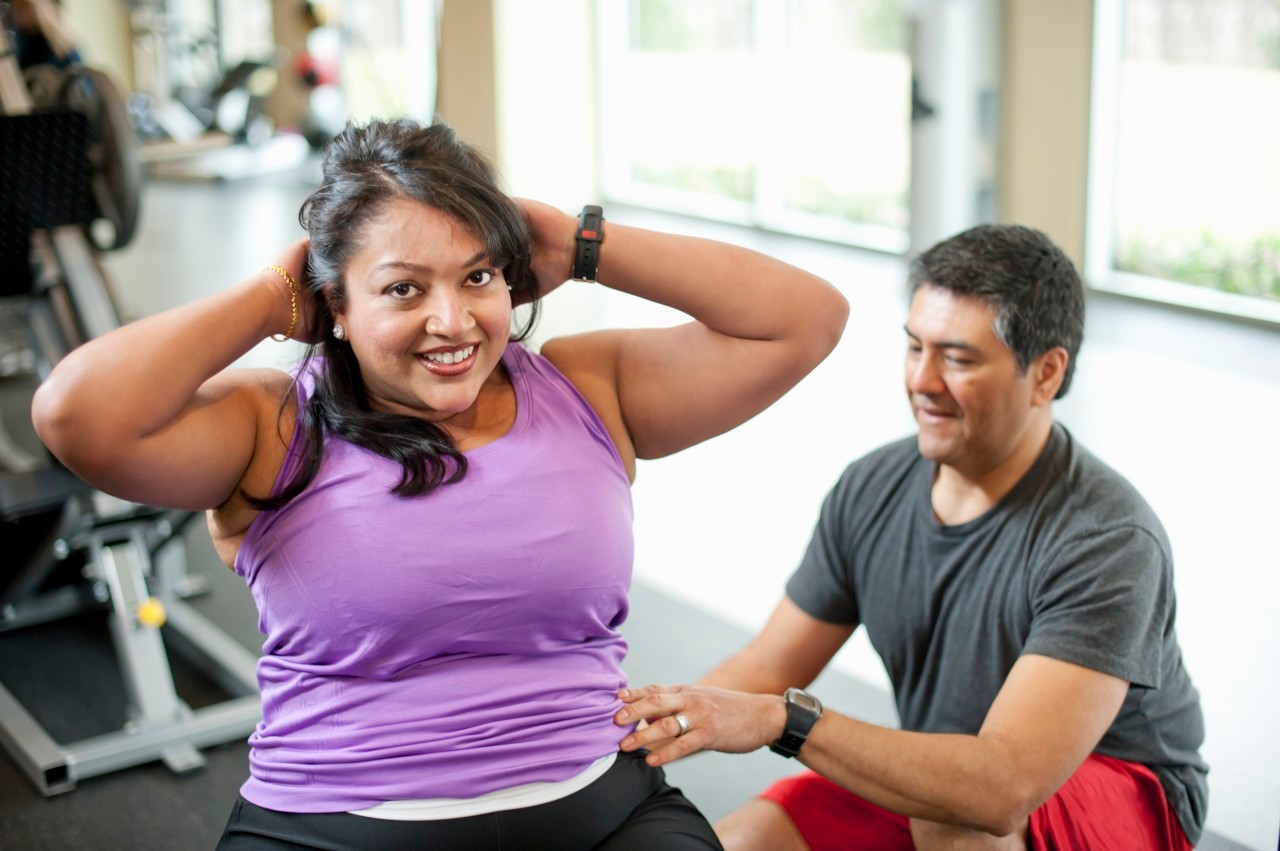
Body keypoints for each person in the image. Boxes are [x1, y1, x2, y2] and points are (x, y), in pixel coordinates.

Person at [30, 118, 849, 850]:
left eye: (479, 276)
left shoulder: (587, 388)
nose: (453, 322)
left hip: (601, 811)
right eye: (402, 288)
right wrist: (269, 297)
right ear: (334, 307)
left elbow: (805, 318)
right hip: (334, 826)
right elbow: (77, 416)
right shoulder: (271, 422)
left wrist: (584, 240)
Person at [613, 224, 1207, 851]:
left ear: (1046, 374)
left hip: (1117, 791)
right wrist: (625, 742)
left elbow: (1003, 788)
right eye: (914, 348)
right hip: (953, 773)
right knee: (747, 838)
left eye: (957, 358)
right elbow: (766, 667)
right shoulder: (874, 486)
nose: (922, 382)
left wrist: (785, 722)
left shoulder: (1107, 538)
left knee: (960, 821)